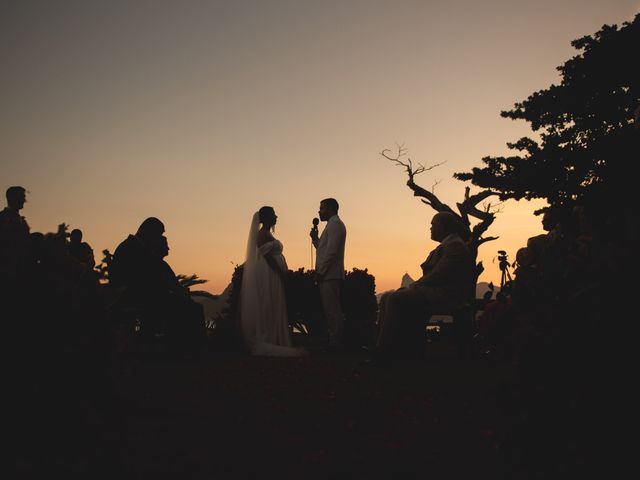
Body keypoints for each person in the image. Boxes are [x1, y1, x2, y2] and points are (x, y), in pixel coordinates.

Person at [371, 211, 475, 363]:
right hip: (433, 293)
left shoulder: (454, 246)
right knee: (388, 296)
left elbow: (439, 275)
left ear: (443, 226)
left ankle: (384, 353)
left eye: (433, 224)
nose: (430, 228)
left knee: (394, 298)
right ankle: (384, 347)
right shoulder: (449, 245)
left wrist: (413, 286)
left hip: (445, 296)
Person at [240, 206, 306, 357]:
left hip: (272, 274)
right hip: (269, 274)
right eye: (274, 215)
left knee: (274, 302)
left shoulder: (267, 233)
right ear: (267, 217)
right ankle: (268, 336)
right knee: (269, 302)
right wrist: (280, 272)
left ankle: (274, 336)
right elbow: (268, 258)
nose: (277, 217)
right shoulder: (262, 234)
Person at [310, 198, 347, 350]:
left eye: (322, 208)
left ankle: (337, 342)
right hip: (327, 274)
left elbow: (331, 252)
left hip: (330, 275)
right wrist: (315, 239)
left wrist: (321, 273)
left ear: (331, 208)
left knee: (333, 310)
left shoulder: (336, 225)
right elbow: (323, 249)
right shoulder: (331, 226)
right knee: (329, 309)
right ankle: (334, 340)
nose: (319, 211)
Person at [0, 186, 30, 280]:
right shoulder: (3, 217)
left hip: (21, 267)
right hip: (8, 269)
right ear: (12, 198)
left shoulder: (22, 220)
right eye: (22, 196)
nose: (24, 200)